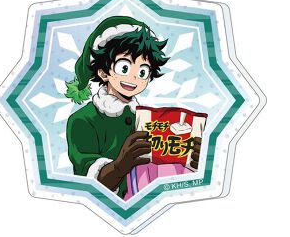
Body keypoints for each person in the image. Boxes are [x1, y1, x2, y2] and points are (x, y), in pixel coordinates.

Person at [65, 16, 201, 199]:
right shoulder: (83, 120)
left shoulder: (148, 118)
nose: (134, 78)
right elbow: (87, 181)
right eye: (124, 67)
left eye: (143, 71)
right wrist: (120, 166)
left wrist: (191, 160)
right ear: (103, 72)